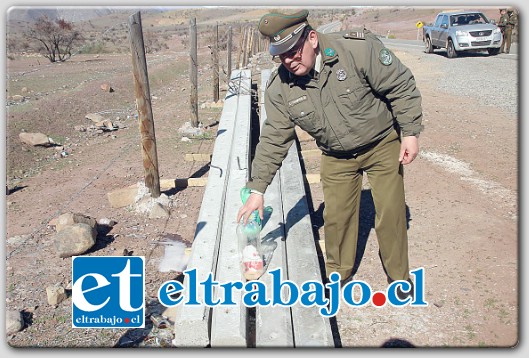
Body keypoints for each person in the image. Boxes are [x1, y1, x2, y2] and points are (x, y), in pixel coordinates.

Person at [236, 10, 424, 297]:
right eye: (281, 54)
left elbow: (400, 84)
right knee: (336, 217)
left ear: (312, 38)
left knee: (390, 212)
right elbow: (274, 138)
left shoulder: (355, 50)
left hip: (381, 144)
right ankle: (338, 274)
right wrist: (257, 188)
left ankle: (399, 278)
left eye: (293, 50)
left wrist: (409, 131)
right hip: (336, 155)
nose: (289, 59)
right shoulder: (281, 87)